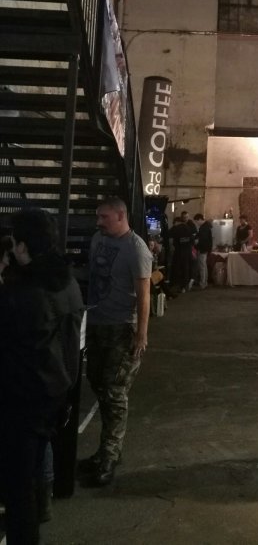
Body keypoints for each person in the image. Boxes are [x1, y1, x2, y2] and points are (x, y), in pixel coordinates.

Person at [0, 208, 83, 544]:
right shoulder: (67, 281)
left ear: (22, 246)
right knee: (32, 475)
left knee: (18, 488)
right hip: (57, 393)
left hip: (23, 400)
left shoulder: (22, 294)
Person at [79, 196, 152, 487]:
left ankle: (109, 456)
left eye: (104, 217)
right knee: (98, 382)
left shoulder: (136, 249)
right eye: (98, 217)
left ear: (121, 216)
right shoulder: (99, 240)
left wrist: (141, 334)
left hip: (122, 328)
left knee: (114, 392)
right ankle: (104, 452)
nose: (98, 222)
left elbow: (144, 295)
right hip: (98, 324)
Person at [169, 211, 196, 293]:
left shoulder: (176, 228)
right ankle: (185, 286)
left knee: (178, 268)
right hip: (187, 252)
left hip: (178, 252)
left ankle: (179, 286)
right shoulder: (189, 228)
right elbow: (192, 240)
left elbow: (169, 234)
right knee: (186, 269)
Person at [194, 213, 213, 289]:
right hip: (205, 249)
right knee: (204, 266)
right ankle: (205, 282)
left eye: (196, 221)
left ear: (200, 219)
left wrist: (197, 244)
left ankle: (202, 283)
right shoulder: (206, 226)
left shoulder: (204, 227)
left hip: (203, 249)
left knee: (202, 266)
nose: (196, 223)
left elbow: (203, 239)